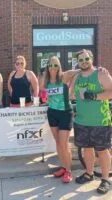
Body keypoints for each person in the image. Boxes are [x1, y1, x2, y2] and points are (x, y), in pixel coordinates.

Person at [70, 49, 112, 194]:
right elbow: (71, 94)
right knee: (87, 149)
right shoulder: (77, 77)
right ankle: (89, 173)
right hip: (82, 120)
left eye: (86, 59)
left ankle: (105, 179)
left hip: (100, 120)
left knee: (102, 150)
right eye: (80, 60)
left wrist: (93, 96)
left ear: (92, 59)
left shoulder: (101, 73)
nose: (84, 62)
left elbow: (111, 91)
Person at [39, 56, 82, 183]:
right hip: (52, 112)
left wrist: (72, 89)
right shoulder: (46, 80)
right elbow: (41, 90)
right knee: (58, 143)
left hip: (65, 113)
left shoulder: (64, 76)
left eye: (56, 65)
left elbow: (81, 71)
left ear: (59, 66)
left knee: (64, 144)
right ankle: (64, 167)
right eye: (51, 65)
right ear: (48, 67)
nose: (53, 68)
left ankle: (69, 171)